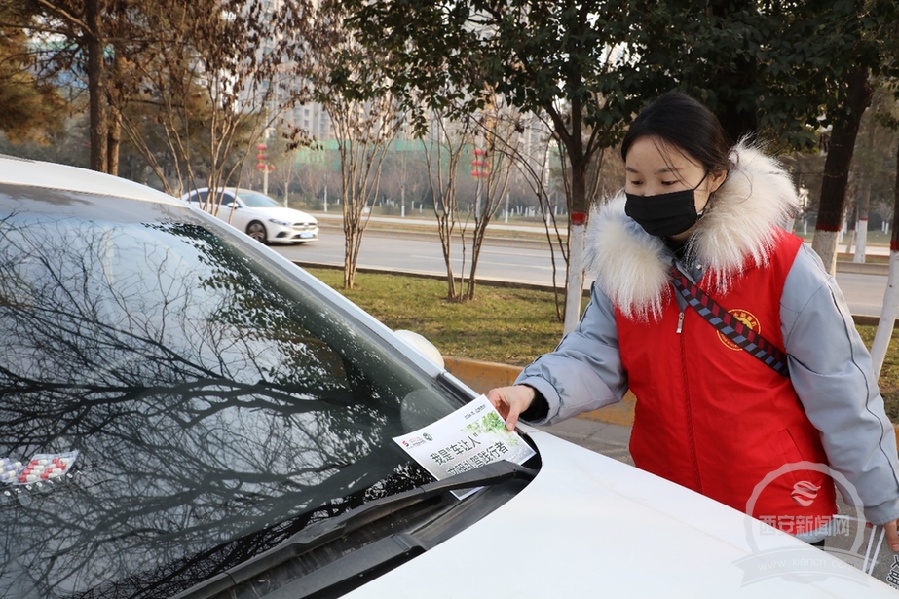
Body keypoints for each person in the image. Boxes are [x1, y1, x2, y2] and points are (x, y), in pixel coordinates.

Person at [487, 91, 899, 549]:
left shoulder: (782, 266)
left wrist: (887, 501)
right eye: (636, 181)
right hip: (669, 509)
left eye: (668, 181)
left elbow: (842, 392)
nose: (649, 196)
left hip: (778, 516)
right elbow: (592, 356)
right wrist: (531, 391)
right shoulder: (625, 268)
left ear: (715, 176)